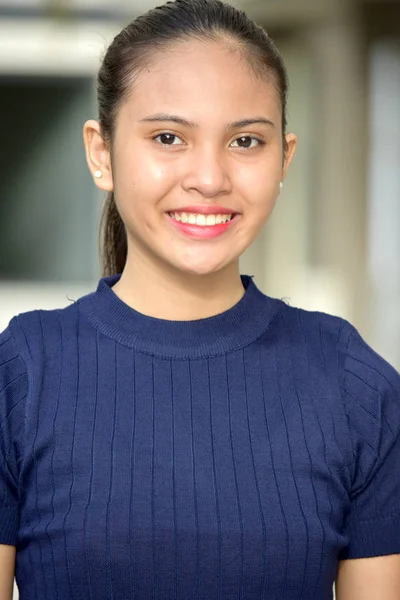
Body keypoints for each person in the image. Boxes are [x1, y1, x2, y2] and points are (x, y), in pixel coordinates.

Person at [1, 0, 399, 598]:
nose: (210, 178)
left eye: (245, 141)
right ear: (101, 152)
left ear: (284, 157)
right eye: (168, 137)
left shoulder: (355, 387)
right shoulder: (22, 375)